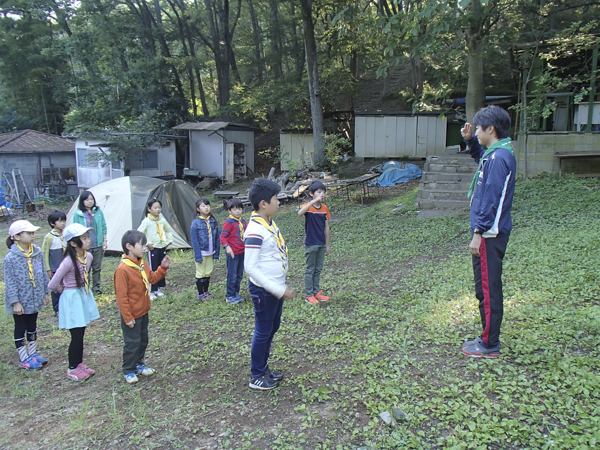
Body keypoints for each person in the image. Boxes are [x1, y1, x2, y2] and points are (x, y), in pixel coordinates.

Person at [460, 105, 516, 358]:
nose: (477, 131)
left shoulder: (499, 158)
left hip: (489, 236)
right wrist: (471, 141)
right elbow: (480, 158)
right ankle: (486, 336)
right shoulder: (495, 154)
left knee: (489, 289)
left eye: (479, 128)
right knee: (483, 288)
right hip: (488, 234)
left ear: (490, 129)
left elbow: (491, 199)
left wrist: (478, 232)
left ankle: (490, 343)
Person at [244, 179, 296, 390]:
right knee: (263, 330)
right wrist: (277, 289)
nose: (279, 202)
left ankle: (263, 368)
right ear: (263, 203)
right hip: (264, 290)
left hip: (275, 287)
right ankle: (256, 375)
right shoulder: (255, 230)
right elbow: (251, 267)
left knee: (272, 327)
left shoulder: (269, 223)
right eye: (276, 199)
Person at [114, 230, 171, 384]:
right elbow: (121, 297)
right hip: (131, 315)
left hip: (143, 311)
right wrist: (127, 317)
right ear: (129, 246)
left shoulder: (141, 263)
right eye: (141, 245)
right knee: (132, 342)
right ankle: (128, 369)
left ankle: (139, 363)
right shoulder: (122, 270)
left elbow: (152, 278)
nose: (144, 248)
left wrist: (163, 268)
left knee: (142, 340)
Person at [48, 223, 100, 381]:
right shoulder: (68, 261)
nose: (88, 240)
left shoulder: (88, 257)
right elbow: (52, 283)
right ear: (73, 243)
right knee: (76, 335)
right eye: (83, 238)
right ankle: (72, 368)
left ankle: (79, 364)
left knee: (81, 333)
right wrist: (62, 290)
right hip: (72, 299)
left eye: (88, 237)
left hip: (82, 295)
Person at [4, 220, 50, 370]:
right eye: (29, 233)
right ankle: (23, 357)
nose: (33, 235)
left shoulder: (36, 253)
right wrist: (15, 302)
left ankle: (32, 353)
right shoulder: (10, 258)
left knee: (32, 325)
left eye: (33, 233)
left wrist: (45, 292)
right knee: (20, 327)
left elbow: (41, 272)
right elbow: (9, 282)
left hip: (34, 297)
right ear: (16, 237)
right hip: (21, 300)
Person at [297, 181, 332, 304]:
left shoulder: (324, 208)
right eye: (318, 192)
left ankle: (316, 292)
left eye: (323, 192)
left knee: (318, 269)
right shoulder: (308, 207)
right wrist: (312, 202)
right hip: (311, 244)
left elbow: (326, 227)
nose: (322, 195)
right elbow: (300, 213)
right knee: (310, 269)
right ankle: (309, 295)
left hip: (321, 244)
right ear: (311, 193)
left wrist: (327, 245)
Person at [72, 191, 107, 295]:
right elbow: (75, 229)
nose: (90, 201)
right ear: (82, 201)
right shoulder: (78, 213)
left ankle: (96, 287)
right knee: (85, 267)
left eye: (91, 199)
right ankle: (85, 286)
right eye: (87, 199)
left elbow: (103, 226)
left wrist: (104, 240)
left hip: (97, 243)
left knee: (97, 267)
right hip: (84, 245)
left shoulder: (98, 212)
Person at [137, 198, 173, 300]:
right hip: (153, 248)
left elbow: (168, 230)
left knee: (161, 267)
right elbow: (139, 233)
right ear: (149, 209)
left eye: (159, 207)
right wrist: (147, 243)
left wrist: (169, 240)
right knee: (153, 269)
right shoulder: (147, 221)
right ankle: (151, 289)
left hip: (162, 246)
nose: (158, 210)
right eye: (155, 207)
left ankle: (158, 288)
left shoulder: (161, 220)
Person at [191, 198, 220, 300]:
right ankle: (200, 293)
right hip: (202, 252)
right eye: (203, 206)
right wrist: (198, 254)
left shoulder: (212, 221)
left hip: (211, 251)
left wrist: (217, 250)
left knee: (208, 271)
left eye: (207, 205)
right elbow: (194, 240)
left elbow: (217, 237)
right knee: (200, 272)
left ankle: (206, 291)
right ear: (198, 209)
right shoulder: (196, 223)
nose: (206, 208)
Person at [220, 198, 248, 304]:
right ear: (229, 211)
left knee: (239, 274)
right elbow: (223, 237)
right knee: (232, 274)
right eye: (235, 209)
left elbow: (246, 234)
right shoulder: (229, 222)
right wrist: (227, 247)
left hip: (242, 252)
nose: (238, 211)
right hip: (233, 253)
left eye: (240, 209)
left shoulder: (243, 221)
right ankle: (230, 295)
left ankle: (236, 293)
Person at [41, 210, 67, 314]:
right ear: (52, 223)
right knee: (56, 287)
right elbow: (45, 253)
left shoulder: (65, 234)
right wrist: (48, 268)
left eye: (64, 221)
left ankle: (65, 306)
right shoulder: (49, 237)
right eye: (60, 221)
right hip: (55, 266)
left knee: (65, 285)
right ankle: (57, 308)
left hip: (65, 265)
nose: (62, 223)